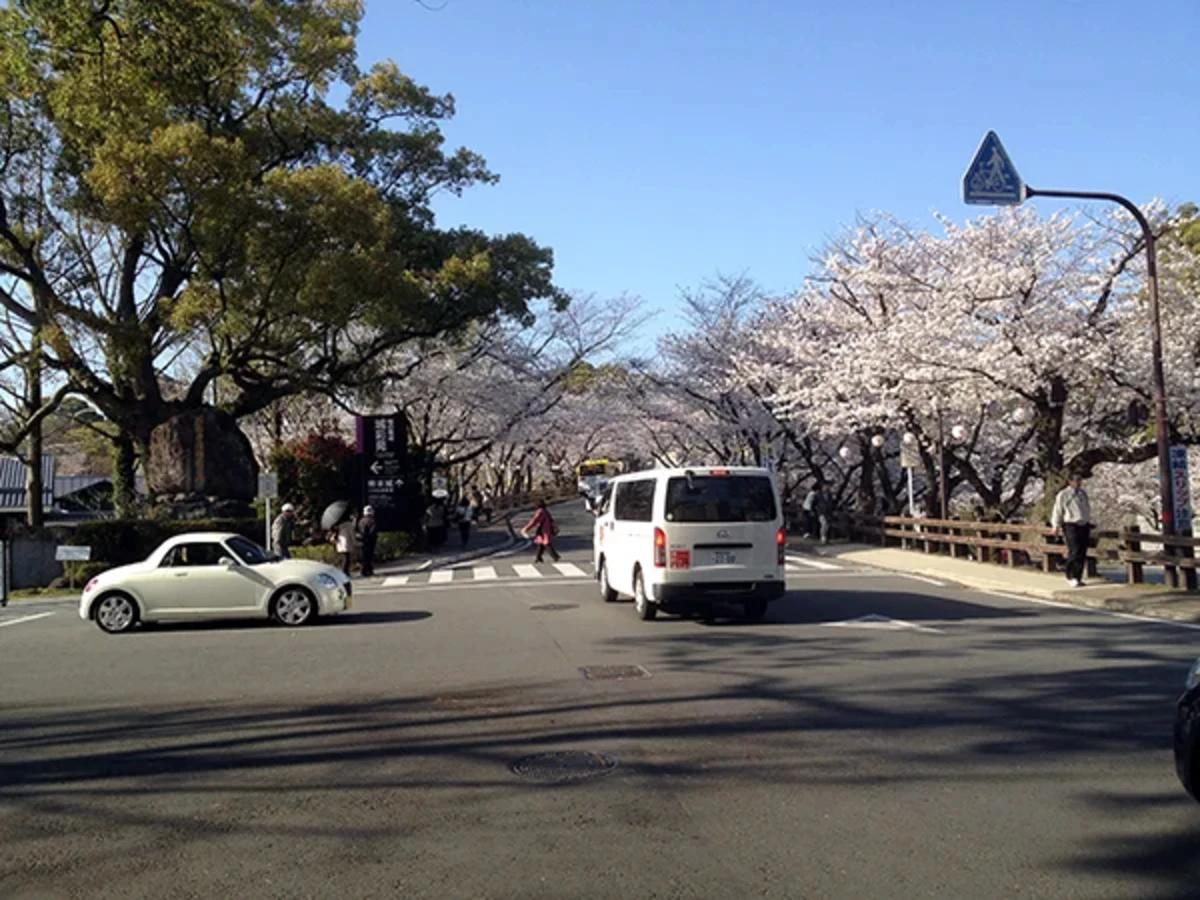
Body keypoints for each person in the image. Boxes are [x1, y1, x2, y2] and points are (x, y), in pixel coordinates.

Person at [1052, 471, 1093, 587]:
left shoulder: (1083, 494)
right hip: (1071, 524)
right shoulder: (1064, 494)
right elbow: (1058, 510)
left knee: (1082, 552)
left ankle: (1078, 576)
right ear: (1070, 482)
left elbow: (1087, 508)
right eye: (1076, 480)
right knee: (1074, 550)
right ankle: (1070, 575)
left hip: (1083, 524)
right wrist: (1056, 525)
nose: (1078, 482)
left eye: (1080, 480)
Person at [331, 510, 358, 578]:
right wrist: (355, 542)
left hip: (340, 544)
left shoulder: (338, 525)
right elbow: (352, 534)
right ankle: (345, 573)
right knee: (347, 559)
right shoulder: (349, 525)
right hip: (347, 543)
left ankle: (345, 572)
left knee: (344, 558)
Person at [358, 506, 378, 577]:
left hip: (362, 540)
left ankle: (364, 570)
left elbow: (358, 530)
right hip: (370, 541)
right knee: (369, 555)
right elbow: (373, 531)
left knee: (364, 555)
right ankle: (368, 570)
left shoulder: (361, 521)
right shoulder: (372, 521)